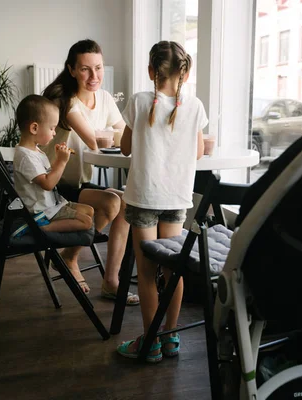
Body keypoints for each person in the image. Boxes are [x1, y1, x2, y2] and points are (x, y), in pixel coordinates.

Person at [116, 40, 207, 362]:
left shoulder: (140, 101)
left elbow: (125, 147)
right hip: (176, 197)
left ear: (151, 71)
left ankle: (150, 342)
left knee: (146, 272)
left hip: (144, 196)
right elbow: (197, 152)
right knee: (173, 271)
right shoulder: (194, 106)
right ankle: (170, 339)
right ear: (183, 73)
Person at [43, 39, 138, 302]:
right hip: (53, 187)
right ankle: (70, 257)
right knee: (110, 202)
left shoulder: (105, 99)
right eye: (85, 69)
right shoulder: (65, 101)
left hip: (78, 184)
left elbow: (122, 133)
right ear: (72, 70)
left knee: (127, 203)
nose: (94, 76)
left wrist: (118, 134)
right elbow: (94, 141)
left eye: (98, 68)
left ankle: (111, 282)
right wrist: (116, 134)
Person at [12, 95, 95, 271]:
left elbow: (46, 175)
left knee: (90, 210)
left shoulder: (34, 151)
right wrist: (62, 162)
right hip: (42, 212)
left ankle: (51, 231)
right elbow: (48, 184)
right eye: (51, 128)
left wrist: (57, 159)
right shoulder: (25, 156)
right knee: (86, 222)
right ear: (34, 128)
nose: (54, 133)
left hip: (52, 204)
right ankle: (43, 229)